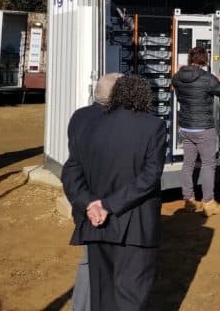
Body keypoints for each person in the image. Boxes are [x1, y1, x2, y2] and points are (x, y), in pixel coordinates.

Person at [61, 74, 166, 311]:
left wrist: (89, 203)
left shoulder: (86, 122)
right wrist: (108, 204)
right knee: (131, 294)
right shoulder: (153, 125)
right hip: (135, 224)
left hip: (95, 223)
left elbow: (71, 170)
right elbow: (150, 176)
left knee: (102, 293)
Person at [65, 73, 122, 311]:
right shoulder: (118, 122)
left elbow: (73, 164)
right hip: (107, 205)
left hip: (84, 199)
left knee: (91, 258)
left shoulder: (79, 116)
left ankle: (81, 305)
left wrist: (85, 202)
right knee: (100, 262)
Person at [172, 46, 220, 217]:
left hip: (185, 127)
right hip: (204, 128)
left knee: (188, 163)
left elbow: (175, 81)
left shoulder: (177, 77)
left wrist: (180, 72)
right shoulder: (207, 78)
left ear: (190, 59)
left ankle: (189, 200)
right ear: (204, 60)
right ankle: (208, 202)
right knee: (208, 165)